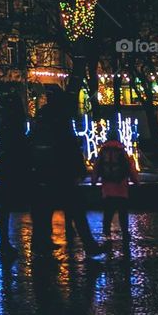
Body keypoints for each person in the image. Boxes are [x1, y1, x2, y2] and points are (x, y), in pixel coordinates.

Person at [29, 89, 103, 258]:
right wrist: (79, 167)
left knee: (44, 211)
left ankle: (40, 244)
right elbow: (68, 144)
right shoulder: (61, 118)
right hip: (62, 172)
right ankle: (89, 245)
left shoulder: (42, 117)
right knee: (76, 209)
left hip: (45, 172)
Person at [0, 92, 31, 259]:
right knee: (32, 203)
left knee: (5, 206)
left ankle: (4, 241)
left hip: (7, 169)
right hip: (18, 168)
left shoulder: (4, 125)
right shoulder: (16, 125)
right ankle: (39, 239)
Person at [93, 125, 139, 254]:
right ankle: (125, 233)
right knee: (123, 212)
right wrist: (136, 181)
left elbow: (97, 168)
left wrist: (94, 181)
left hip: (107, 187)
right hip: (121, 187)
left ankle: (106, 234)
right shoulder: (122, 151)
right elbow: (130, 168)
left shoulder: (103, 152)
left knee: (108, 212)